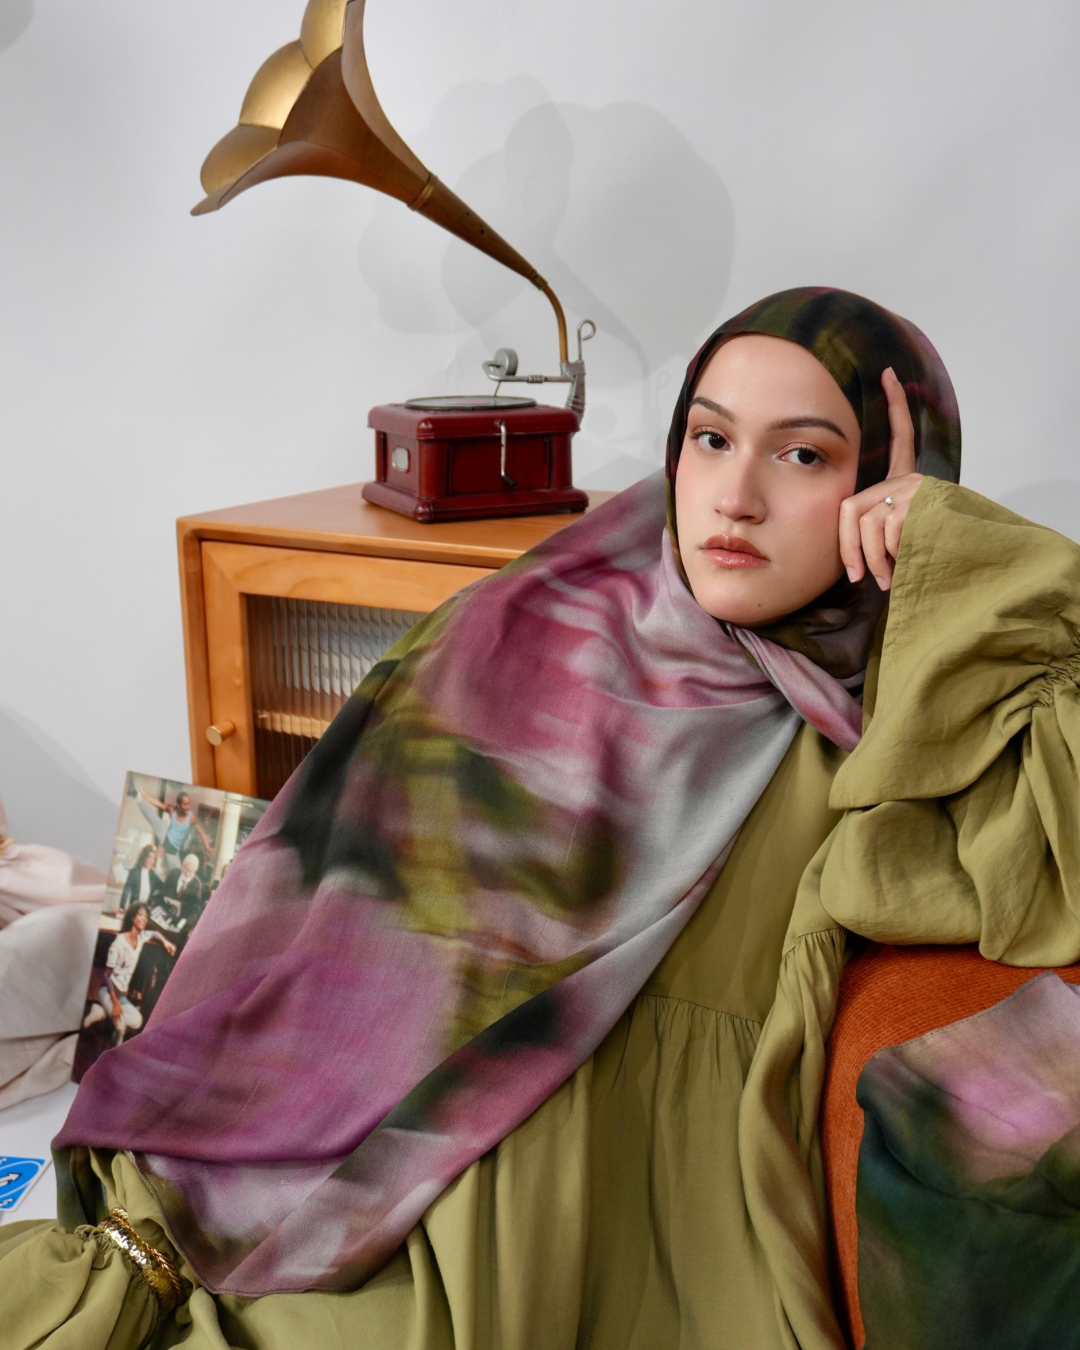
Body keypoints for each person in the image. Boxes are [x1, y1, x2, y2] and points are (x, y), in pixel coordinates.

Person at [1, 288, 1077, 1349]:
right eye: (709, 440)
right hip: (391, 1165)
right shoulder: (537, 621)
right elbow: (335, 933)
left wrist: (958, 548)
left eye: (803, 456)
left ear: (894, 479)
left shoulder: (909, 699)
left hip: (625, 1201)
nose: (736, 497)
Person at [81, 903, 176, 1047]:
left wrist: (166, 942)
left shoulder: (141, 937)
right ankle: (112, 1054)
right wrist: (115, 1005)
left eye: (146, 916)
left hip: (121, 994)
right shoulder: (119, 943)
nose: (144, 919)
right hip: (107, 991)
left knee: (138, 1021)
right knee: (120, 1028)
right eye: (140, 915)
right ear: (132, 917)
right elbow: (107, 976)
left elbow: (154, 934)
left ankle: (100, 1011)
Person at [136, 785, 211, 873]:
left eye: (188, 804)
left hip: (173, 849)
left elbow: (201, 832)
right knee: (155, 821)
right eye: (185, 804)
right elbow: (158, 804)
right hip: (166, 837)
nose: (188, 807)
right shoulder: (172, 810)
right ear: (178, 805)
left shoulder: (191, 818)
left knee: (176, 871)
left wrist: (208, 846)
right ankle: (137, 799)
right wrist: (144, 794)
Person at [161, 853, 206, 929]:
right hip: (165, 911)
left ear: (195, 871)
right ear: (182, 865)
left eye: (190, 871)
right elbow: (164, 891)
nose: (187, 873)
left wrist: (180, 905)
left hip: (182, 919)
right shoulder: (174, 873)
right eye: (186, 869)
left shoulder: (197, 885)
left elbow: (194, 908)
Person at [119, 844, 163, 911]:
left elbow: (163, 889)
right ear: (144, 857)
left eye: (153, 859)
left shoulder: (154, 876)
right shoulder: (134, 872)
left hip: (147, 910)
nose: (151, 861)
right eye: (149, 857)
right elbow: (126, 891)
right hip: (134, 909)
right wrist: (121, 908)